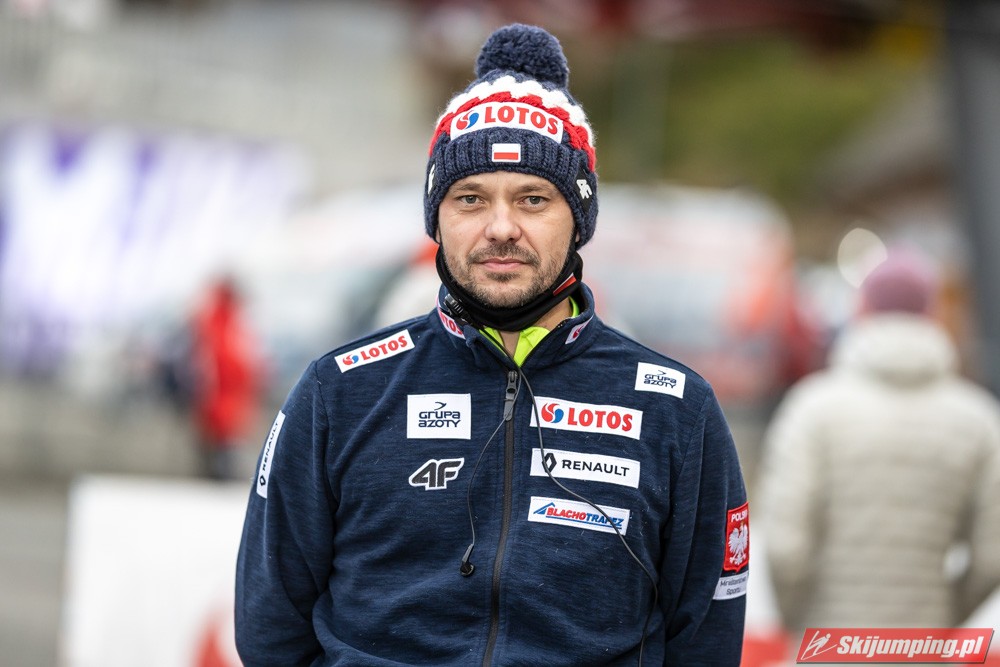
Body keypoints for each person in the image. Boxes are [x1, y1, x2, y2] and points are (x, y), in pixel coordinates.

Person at [235, 24, 748, 666]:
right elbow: (269, 631)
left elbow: (707, 641)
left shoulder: (676, 409)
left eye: (532, 199)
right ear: (437, 217)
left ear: (579, 217)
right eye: (471, 199)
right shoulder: (339, 391)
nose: (501, 228)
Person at [757, 248, 1000, 638]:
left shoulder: (812, 409)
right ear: (933, 314)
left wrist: (799, 622)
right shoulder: (978, 419)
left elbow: (786, 549)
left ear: (862, 310)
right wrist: (943, 617)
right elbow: (992, 557)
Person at [189, 275, 264, 481]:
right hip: (221, 391)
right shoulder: (218, 320)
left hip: (228, 392)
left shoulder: (224, 319)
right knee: (221, 436)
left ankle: (220, 470)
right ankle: (218, 471)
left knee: (224, 436)